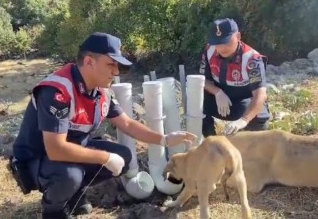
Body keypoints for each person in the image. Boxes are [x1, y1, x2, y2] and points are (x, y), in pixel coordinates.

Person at [11, 32, 196, 219]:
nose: (116, 72)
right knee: (71, 175)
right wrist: (105, 157)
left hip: (72, 151)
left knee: (124, 157)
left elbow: (126, 123)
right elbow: (55, 149)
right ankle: (54, 210)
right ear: (90, 62)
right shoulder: (58, 91)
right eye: (111, 64)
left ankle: (74, 193)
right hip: (38, 158)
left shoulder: (101, 91)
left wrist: (163, 139)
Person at [199, 18, 270, 137]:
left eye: (226, 41)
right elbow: (202, 80)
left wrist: (244, 120)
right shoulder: (209, 50)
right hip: (220, 98)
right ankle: (211, 142)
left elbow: (260, 94)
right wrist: (217, 92)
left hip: (244, 101)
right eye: (217, 43)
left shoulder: (252, 59)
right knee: (196, 100)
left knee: (258, 119)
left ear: (238, 36)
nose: (222, 47)